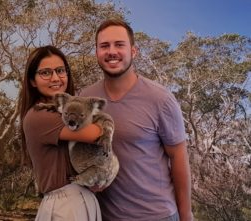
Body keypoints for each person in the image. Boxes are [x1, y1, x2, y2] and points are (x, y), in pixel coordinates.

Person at [80, 19, 193, 221]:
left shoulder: (160, 99)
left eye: (119, 44)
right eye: (104, 46)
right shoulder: (86, 99)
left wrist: (186, 216)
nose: (111, 51)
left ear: (133, 51)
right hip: (104, 216)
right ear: (97, 52)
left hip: (157, 216)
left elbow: (179, 157)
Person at [20, 45, 102, 221]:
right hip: (66, 206)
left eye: (60, 70)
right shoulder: (39, 116)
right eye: (45, 73)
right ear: (32, 81)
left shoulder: (59, 112)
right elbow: (94, 133)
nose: (55, 78)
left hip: (78, 199)